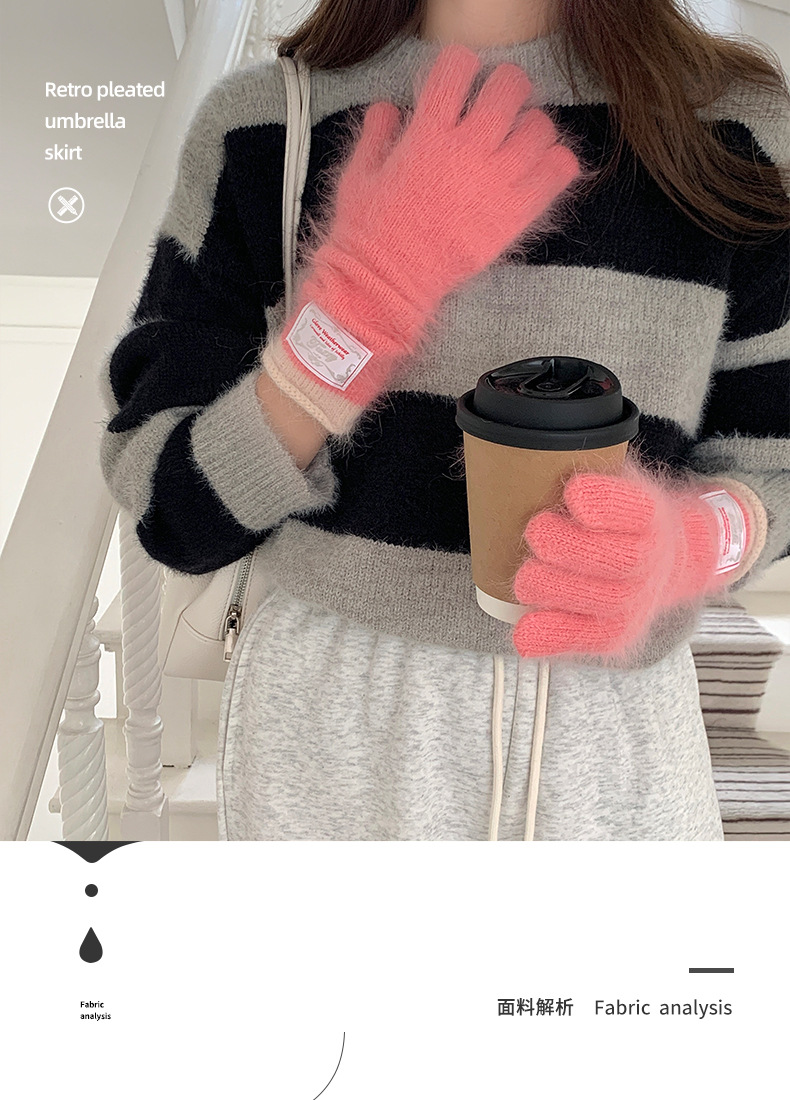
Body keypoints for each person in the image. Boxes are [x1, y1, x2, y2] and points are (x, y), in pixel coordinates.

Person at [99, 0, 790, 841]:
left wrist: (688, 545)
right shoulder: (264, 126)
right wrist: (356, 308)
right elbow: (173, 509)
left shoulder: (737, 127)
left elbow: (777, 466)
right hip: (328, 732)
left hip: (614, 741)